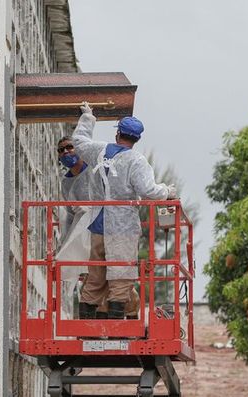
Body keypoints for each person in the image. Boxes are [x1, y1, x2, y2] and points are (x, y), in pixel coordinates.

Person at [72, 102, 177, 320]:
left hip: (97, 223)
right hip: (122, 227)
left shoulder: (99, 150)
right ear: (136, 139)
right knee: (121, 273)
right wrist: (167, 190)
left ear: (118, 133)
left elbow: (79, 142)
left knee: (96, 272)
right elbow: (149, 191)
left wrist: (88, 117)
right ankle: (115, 325)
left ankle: (88, 326)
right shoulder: (136, 161)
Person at [57, 136, 140, 320]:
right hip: (90, 232)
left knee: (117, 277)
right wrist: (66, 242)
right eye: (62, 150)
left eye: (70, 147)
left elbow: (106, 193)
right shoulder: (67, 182)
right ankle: (99, 324)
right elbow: (70, 216)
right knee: (97, 277)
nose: (66, 152)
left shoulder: (94, 170)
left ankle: (125, 319)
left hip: (111, 227)